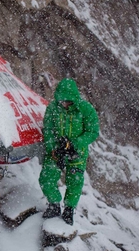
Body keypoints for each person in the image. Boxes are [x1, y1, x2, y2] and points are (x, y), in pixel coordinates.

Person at [38, 78, 99, 225]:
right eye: (62, 101)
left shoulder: (86, 109)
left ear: (74, 98)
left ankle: (69, 209)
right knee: (47, 178)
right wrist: (52, 148)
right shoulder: (53, 108)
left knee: (75, 182)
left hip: (77, 152)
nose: (64, 104)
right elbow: (48, 129)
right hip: (57, 150)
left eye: (68, 101)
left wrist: (75, 143)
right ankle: (54, 204)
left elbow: (93, 131)